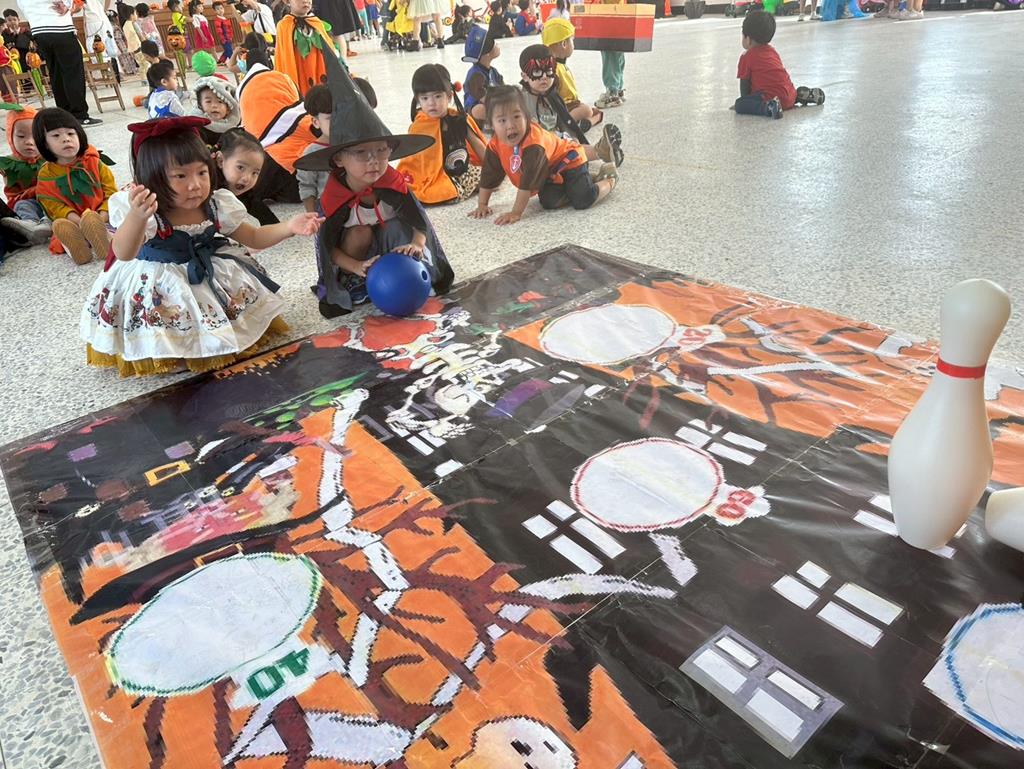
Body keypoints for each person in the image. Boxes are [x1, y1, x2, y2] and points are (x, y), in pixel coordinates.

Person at [81, 116, 322, 376]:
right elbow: (123, 253)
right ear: (153, 178)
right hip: (157, 278)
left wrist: (289, 226)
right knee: (168, 311)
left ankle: (213, 339)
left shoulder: (216, 203)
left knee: (235, 321)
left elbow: (253, 237)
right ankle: (171, 350)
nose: (195, 185)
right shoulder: (147, 212)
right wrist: (137, 217)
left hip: (206, 271)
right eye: (180, 176)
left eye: (202, 172)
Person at [295, 50, 451, 319]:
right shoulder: (334, 195)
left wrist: (416, 243)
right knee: (360, 233)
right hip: (355, 254)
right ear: (339, 159)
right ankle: (354, 281)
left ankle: (410, 271)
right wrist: (356, 266)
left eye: (381, 150)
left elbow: (419, 222)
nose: (373, 161)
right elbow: (328, 247)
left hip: (391, 248)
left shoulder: (392, 183)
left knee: (398, 225)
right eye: (361, 153)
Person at [468, 85, 616, 225]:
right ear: (491, 124)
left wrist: (516, 213)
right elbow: (489, 174)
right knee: (549, 201)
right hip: (550, 173)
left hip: (571, 160)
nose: (511, 125)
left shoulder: (533, 145)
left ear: (526, 116)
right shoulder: (496, 144)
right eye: (502, 120)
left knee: (583, 199)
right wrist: (482, 204)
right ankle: (584, 180)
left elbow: (527, 183)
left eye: (516, 117)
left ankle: (609, 179)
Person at [33, 108, 116, 264]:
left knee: (119, 224)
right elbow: (53, 206)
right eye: (56, 135)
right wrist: (79, 222)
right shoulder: (46, 174)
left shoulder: (94, 162)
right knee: (62, 229)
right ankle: (80, 249)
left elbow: (110, 191)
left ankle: (104, 241)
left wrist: (101, 216)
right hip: (73, 223)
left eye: (71, 133)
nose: (66, 139)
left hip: (103, 217)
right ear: (44, 143)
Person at [236, 33, 312, 203]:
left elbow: (246, 123)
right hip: (304, 152)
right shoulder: (283, 78)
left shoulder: (243, 89)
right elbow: (300, 105)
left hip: (269, 155)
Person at [398, 63, 487, 206]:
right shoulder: (419, 127)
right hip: (434, 176)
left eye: (438, 96)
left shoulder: (459, 119)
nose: (431, 103)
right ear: (418, 100)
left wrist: (493, 166)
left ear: (449, 96)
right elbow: (417, 162)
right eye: (425, 98)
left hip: (462, 171)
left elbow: (477, 145)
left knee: (490, 180)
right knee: (436, 192)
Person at [519, 44, 623, 165]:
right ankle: (601, 151)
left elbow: (563, 120)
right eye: (537, 72)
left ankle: (602, 151)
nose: (544, 77)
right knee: (569, 149)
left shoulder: (552, 95)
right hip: (538, 147)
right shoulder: (520, 100)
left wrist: (572, 136)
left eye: (549, 71)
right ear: (525, 76)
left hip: (557, 138)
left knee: (573, 144)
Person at [18, 0, 101, 125]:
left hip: (39, 32)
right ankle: (79, 115)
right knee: (73, 74)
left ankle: (64, 115)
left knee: (56, 74)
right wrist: (67, 4)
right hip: (60, 28)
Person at [734, 12, 824, 120]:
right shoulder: (772, 51)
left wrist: (745, 102)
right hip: (789, 94)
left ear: (748, 39)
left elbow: (744, 85)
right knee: (784, 95)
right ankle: (799, 96)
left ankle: (768, 107)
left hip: (771, 98)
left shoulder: (746, 57)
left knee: (739, 104)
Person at [0, 104, 51, 244]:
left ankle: (48, 222)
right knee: (23, 205)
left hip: (50, 199)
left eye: (35, 136)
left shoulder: (49, 158)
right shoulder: (7, 164)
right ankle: (31, 227)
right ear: (10, 137)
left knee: (57, 201)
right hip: (26, 201)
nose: (29, 142)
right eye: (21, 136)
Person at [542, 19, 602, 128]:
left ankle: (587, 122)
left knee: (593, 111)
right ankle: (565, 125)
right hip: (564, 108)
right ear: (564, 44)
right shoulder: (555, 69)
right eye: (572, 40)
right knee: (587, 110)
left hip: (566, 106)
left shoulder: (554, 65)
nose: (573, 44)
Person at [276, 0, 339, 96]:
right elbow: (283, 57)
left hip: (320, 72)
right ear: (288, 2)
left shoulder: (316, 23)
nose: (305, 1)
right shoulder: (284, 26)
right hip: (299, 73)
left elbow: (330, 51)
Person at [216, 128, 277, 224]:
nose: (247, 178)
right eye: (240, 167)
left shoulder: (242, 191)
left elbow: (268, 219)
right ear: (220, 161)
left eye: (254, 173)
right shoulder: (206, 188)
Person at [191, 52, 241, 144]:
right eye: (208, 101)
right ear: (200, 105)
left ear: (229, 108)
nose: (214, 105)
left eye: (220, 101)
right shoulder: (197, 129)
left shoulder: (236, 129)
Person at [297, 84, 332, 213]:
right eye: (330, 118)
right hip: (328, 209)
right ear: (316, 122)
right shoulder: (311, 153)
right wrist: (312, 216)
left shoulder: (354, 144)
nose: (338, 122)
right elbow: (307, 187)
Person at [463, 24, 503, 125]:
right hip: (477, 108)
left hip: (493, 104)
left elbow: (503, 87)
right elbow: (480, 97)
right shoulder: (475, 75)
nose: (498, 45)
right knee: (480, 109)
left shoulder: (493, 71)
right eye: (495, 44)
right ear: (487, 53)